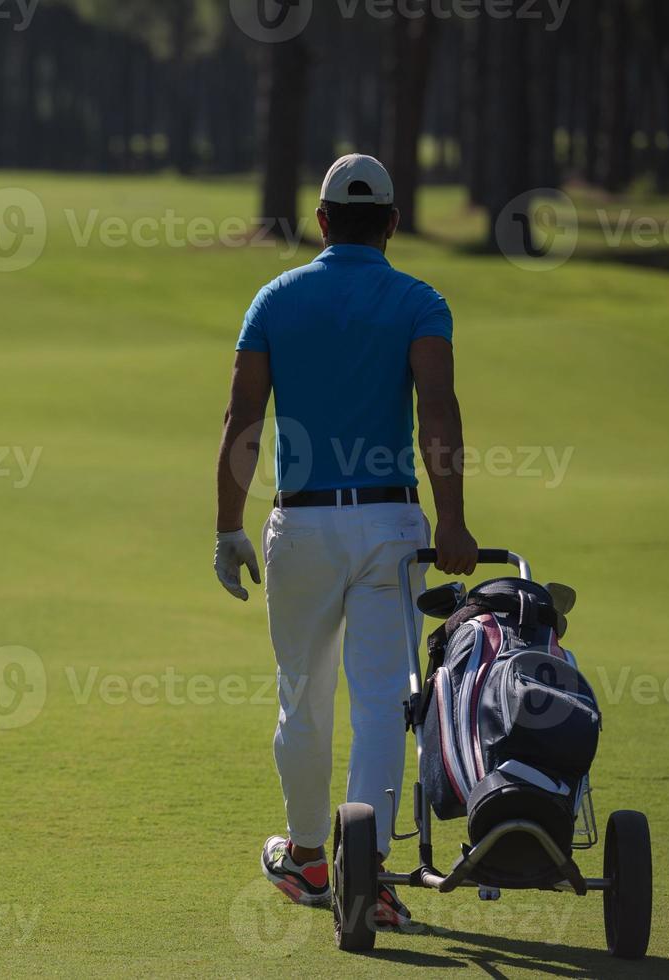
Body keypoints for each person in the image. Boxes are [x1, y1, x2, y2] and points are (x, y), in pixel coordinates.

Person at [212, 154, 478, 928]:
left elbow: (241, 423)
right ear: (392, 222)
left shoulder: (274, 298)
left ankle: (305, 857)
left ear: (321, 220)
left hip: (301, 523)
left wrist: (228, 525)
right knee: (381, 704)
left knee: (302, 698)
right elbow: (437, 411)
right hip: (391, 524)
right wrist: (453, 518)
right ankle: (371, 878)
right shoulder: (418, 300)